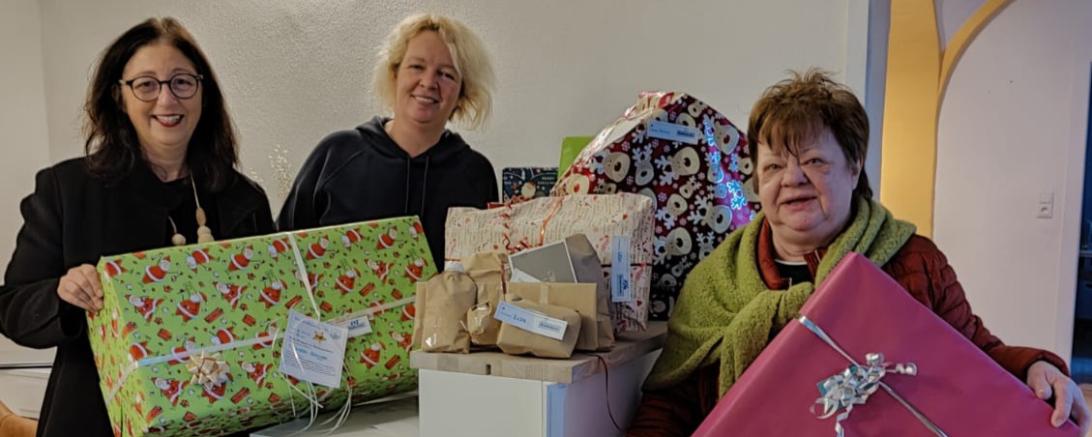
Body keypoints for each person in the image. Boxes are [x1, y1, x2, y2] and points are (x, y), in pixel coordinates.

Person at [627, 70, 1091, 436]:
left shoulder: (912, 260)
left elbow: (974, 354)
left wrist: (1038, 367)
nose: (791, 179)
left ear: (853, 168)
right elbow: (673, 401)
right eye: (773, 166)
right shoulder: (715, 281)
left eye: (813, 161)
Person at [0, 18, 274, 437]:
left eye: (182, 82)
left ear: (203, 93)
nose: (166, 98)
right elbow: (13, 308)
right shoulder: (68, 189)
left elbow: (269, 314)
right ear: (119, 96)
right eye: (146, 84)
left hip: (221, 420)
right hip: (95, 421)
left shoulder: (242, 198)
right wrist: (63, 294)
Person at [278, 13, 498, 269]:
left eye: (446, 74)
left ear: (463, 92)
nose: (428, 82)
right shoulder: (336, 155)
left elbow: (485, 280)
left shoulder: (476, 174)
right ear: (394, 74)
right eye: (416, 67)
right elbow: (281, 257)